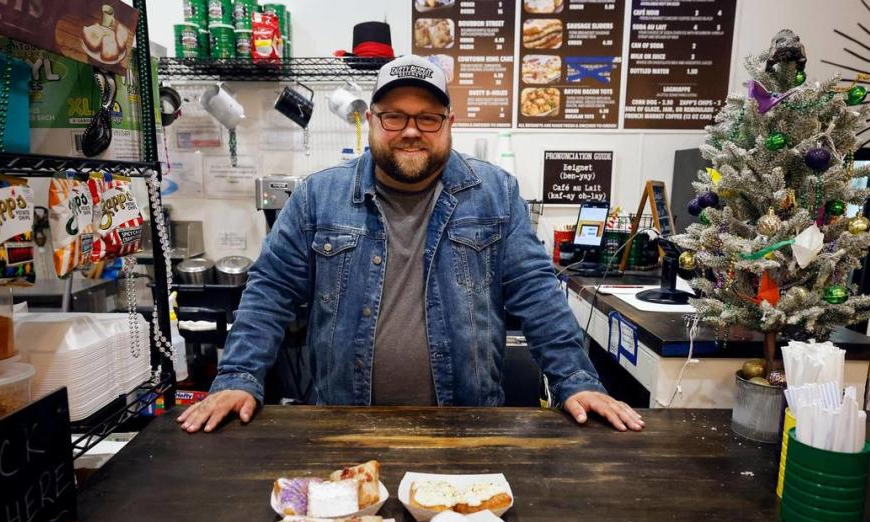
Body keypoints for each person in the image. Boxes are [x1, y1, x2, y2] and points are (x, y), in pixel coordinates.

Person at [178, 55, 644, 434]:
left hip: (467, 429)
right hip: (342, 427)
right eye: (395, 115)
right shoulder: (318, 196)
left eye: (427, 117)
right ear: (374, 120)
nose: (411, 129)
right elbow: (270, 292)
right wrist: (239, 377)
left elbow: (537, 293)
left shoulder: (496, 193)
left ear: (449, 122)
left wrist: (576, 381)